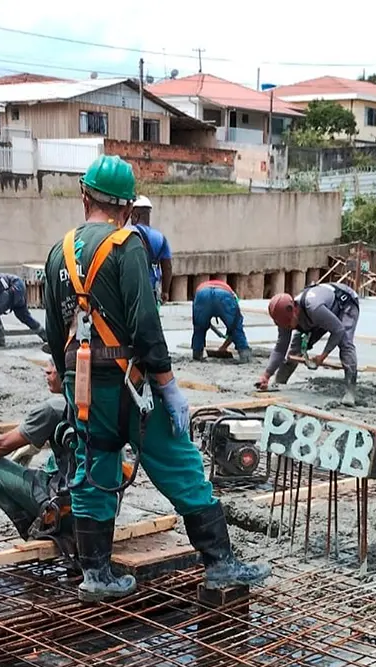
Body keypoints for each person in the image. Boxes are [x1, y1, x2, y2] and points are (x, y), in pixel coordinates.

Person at [42, 154, 271, 603]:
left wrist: (67, 379)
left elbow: (54, 329)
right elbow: (145, 324)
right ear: (127, 207)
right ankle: (220, 563)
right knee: (178, 462)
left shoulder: (58, 253)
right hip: (130, 384)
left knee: (93, 468)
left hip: (82, 384)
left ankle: (97, 573)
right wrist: (167, 385)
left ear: (85, 197)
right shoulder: (127, 245)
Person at [0, 361, 132, 559]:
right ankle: (64, 527)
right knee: (54, 462)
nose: (47, 370)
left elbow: (0, 444)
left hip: (74, 510)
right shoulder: (106, 403)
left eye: (53, 365)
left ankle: (42, 531)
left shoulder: (53, 408)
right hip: (104, 513)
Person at [257, 283, 360, 406]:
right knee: (295, 348)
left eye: (289, 324)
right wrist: (266, 375)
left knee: (345, 342)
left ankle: (350, 391)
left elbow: (338, 330)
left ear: (294, 310)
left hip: (344, 304)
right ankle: (279, 382)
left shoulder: (314, 308)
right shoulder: (284, 316)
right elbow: (280, 348)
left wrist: (322, 356)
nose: (288, 327)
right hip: (317, 315)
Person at [192, 279, 252, 363]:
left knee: (199, 328)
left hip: (202, 294)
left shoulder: (201, 288)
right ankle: (245, 355)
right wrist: (224, 347)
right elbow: (234, 326)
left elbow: (198, 321)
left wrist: (223, 347)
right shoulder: (231, 293)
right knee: (236, 327)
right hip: (223, 294)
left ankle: (197, 354)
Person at [128, 196, 172, 304]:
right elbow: (167, 267)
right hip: (152, 292)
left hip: (132, 291)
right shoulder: (160, 238)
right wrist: (165, 292)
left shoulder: (127, 234)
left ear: (135, 215)